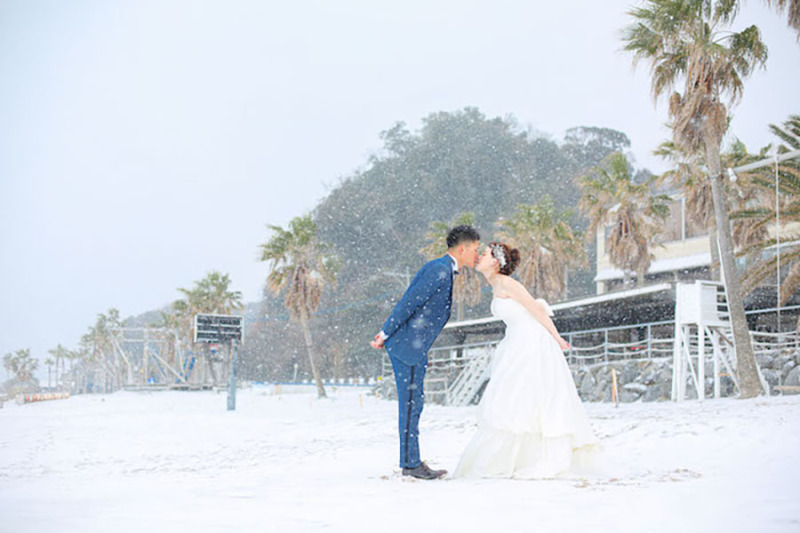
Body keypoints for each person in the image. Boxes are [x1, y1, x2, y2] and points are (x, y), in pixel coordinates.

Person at [454, 241, 600, 479]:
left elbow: (537, 309)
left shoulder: (506, 283)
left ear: (496, 262)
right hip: (516, 342)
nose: (479, 257)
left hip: (531, 342)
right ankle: (517, 456)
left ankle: (536, 457)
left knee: (524, 395)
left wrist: (558, 339)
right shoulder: (495, 284)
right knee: (514, 397)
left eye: (485, 254)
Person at [371, 225, 481, 480]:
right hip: (405, 347)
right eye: (475, 249)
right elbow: (409, 302)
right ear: (462, 249)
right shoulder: (439, 270)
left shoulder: (443, 270)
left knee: (414, 405)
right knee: (411, 406)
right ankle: (411, 464)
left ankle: (411, 461)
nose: (477, 254)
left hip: (414, 349)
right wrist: (385, 333)